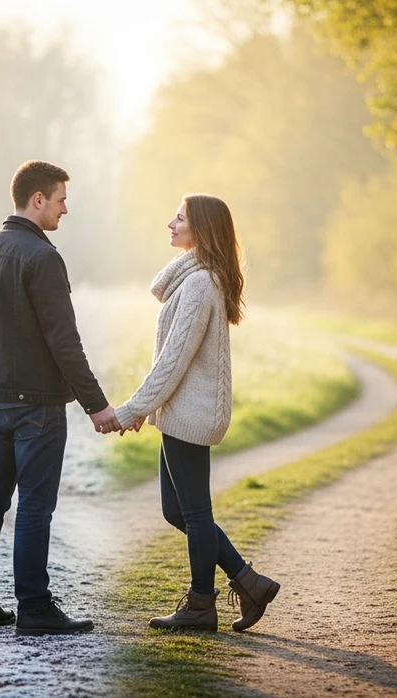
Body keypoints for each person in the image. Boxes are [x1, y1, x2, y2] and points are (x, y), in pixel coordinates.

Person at [0, 160, 121, 636]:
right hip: (37, 407)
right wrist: (97, 405)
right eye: (60, 199)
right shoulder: (42, 258)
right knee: (34, 506)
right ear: (37, 200)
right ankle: (33, 608)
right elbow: (64, 341)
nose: (65, 210)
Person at [111, 194, 280, 632]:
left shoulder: (202, 284)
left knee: (195, 514)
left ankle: (202, 604)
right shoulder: (196, 280)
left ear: (200, 229)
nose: (170, 223)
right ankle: (250, 582)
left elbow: (174, 360)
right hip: (182, 410)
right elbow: (172, 361)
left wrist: (134, 408)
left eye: (180, 218)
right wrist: (148, 407)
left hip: (192, 412)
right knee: (177, 511)